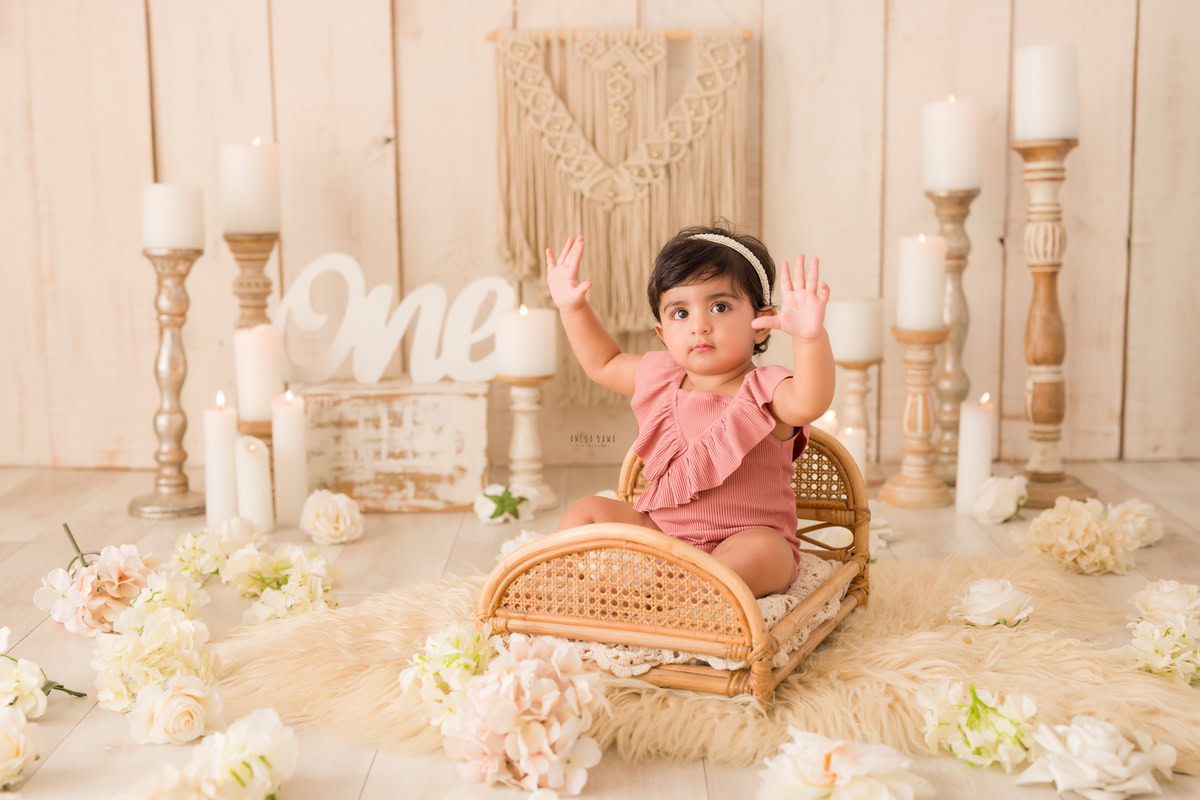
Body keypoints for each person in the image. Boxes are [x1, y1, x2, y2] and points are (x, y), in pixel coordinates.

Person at [547, 223, 835, 598]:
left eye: (720, 307)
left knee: (766, 554)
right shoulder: (660, 377)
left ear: (761, 325)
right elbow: (603, 362)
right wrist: (573, 308)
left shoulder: (768, 390)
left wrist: (810, 338)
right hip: (664, 537)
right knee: (585, 512)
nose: (699, 326)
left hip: (743, 539)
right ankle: (569, 585)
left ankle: (673, 596)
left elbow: (811, 400)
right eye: (680, 313)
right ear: (663, 333)